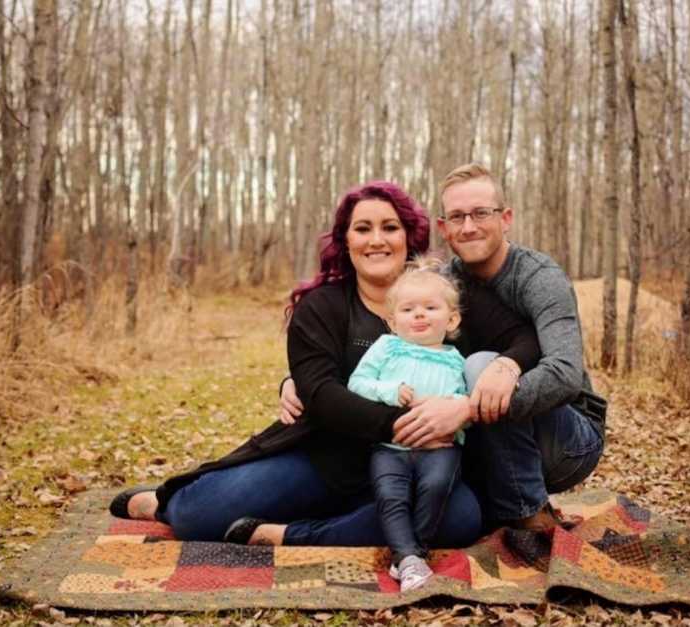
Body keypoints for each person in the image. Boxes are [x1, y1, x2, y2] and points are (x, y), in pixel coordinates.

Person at [109, 181, 539, 555]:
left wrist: (500, 371)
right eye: (363, 228)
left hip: (420, 465)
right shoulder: (322, 307)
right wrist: (411, 424)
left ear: (410, 236)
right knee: (195, 516)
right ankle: (163, 503)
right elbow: (320, 393)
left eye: (390, 227)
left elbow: (524, 337)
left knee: (462, 521)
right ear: (345, 240)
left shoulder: (440, 296)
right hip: (326, 459)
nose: (377, 240)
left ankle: (289, 534)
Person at [281, 164, 607, 533]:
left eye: (481, 213)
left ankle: (525, 511)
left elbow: (565, 373)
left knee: (481, 365)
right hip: (487, 441)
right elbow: (400, 348)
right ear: (443, 227)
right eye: (457, 216)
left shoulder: (540, 278)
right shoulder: (445, 282)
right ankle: (493, 508)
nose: (468, 226)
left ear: (506, 218)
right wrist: (299, 378)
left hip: (567, 439)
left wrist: (472, 401)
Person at [348, 257, 467, 591]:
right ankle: (411, 559)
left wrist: (454, 407)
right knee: (391, 495)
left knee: (436, 487)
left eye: (430, 307)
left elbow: (465, 401)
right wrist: (390, 391)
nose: (419, 314)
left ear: (452, 318)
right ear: (392, 321)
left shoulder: (455, 359)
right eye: (408, 309)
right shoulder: (386, 347)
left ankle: (412, 555)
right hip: (390, 448)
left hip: (439, 449)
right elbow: (357, 384)